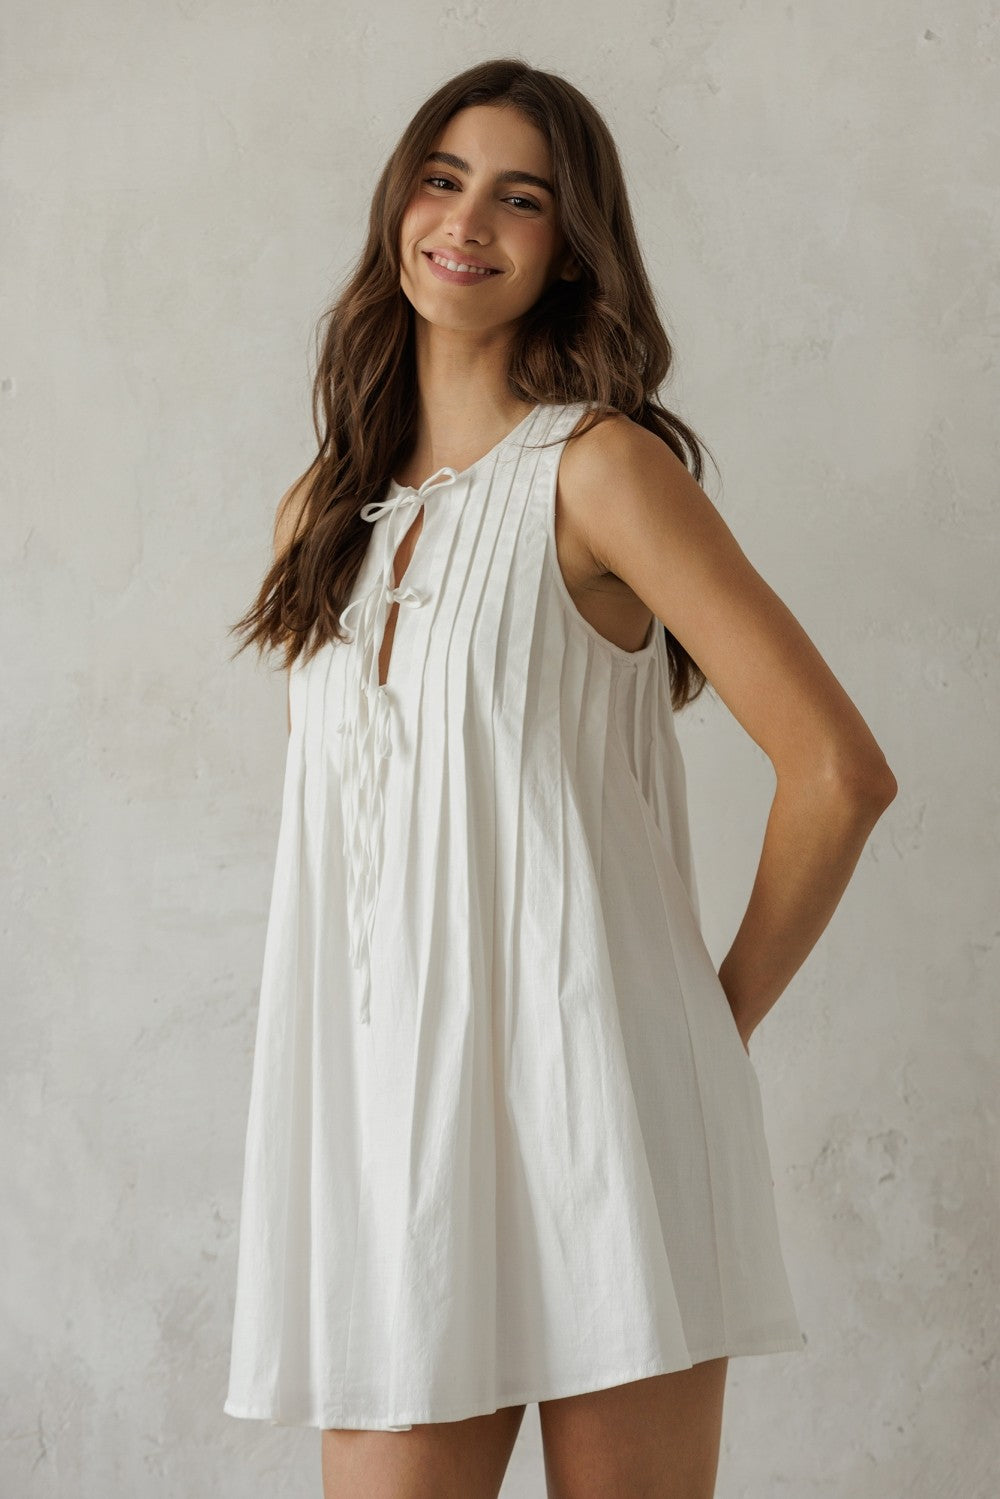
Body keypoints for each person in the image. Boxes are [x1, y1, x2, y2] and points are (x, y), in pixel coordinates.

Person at [224, 58, 897, 1499]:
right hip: (399, 1130)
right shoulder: (321, 513)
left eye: (521, 197)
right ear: (398, 203)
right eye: (443, 177)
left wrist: (703, 1032)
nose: (468, 221)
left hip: (610, 1117)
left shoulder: (601, 472)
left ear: (570, 245)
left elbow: (839, 772)